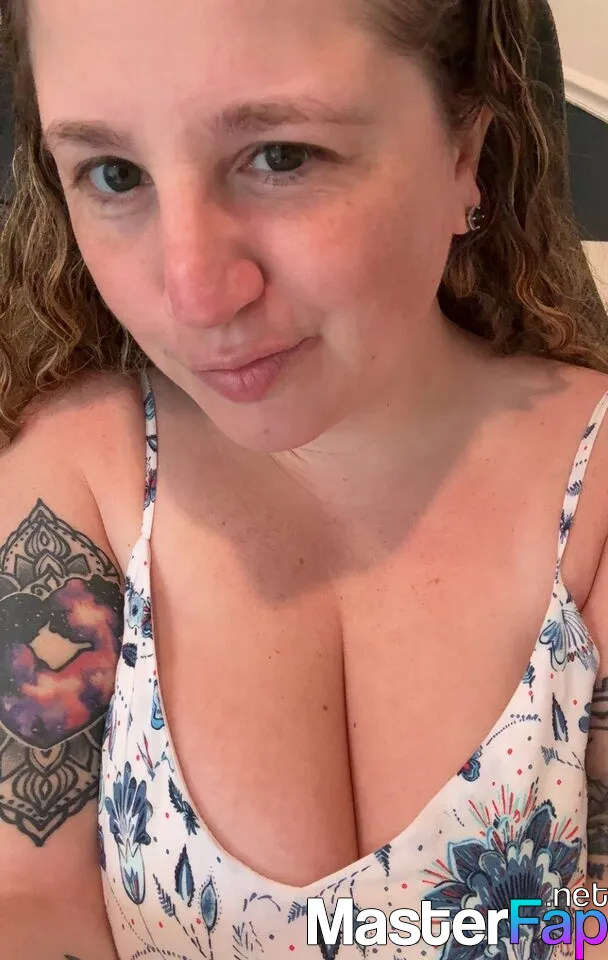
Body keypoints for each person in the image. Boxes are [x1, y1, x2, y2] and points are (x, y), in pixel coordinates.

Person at [1, 0, 608, 957]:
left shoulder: (594, 490)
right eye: (114, 174)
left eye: (281, 157)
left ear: (464, 153)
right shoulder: (79, 477)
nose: (195, 297)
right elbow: (27, 897)